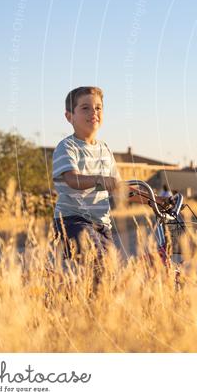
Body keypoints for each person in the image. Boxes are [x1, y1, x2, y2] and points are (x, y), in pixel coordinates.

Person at [52, 86, 124, 262]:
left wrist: (156, 199)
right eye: (85, 108)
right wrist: (101, 180)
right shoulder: (67, 147)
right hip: (72, 221)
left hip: (102, 225)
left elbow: (119, 187)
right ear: (69, 117)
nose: (93, 112)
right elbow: (72, 179)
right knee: (97, 259)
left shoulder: (105, 149)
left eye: (98, 108)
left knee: (109, 274)